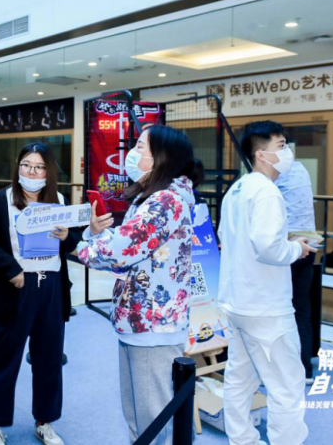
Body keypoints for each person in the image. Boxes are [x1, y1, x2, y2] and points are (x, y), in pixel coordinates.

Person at [78, 124, 196, 445]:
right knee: (139, 420)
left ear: (161, 158)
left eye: (142, 147)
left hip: (152, 325)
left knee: (153, 423)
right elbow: (128, 245)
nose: (133, 153)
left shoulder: (166, 201)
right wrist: (96, 233)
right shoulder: (152, 197)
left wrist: (80, 247)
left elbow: (121, 251)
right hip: (139, 320)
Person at [218, 120, 316, 445]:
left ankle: (242, 440)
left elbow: (228, 238)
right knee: (287, 385)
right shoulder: (268, 192)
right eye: (281, 145)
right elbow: (267, 246)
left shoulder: (238, 188)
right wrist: (297, 248)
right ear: (261, 154)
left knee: (239, 378)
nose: (287, 152)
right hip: (266, 307)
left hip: (236, 301)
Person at [0, 143, 81, 445]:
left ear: (48, 173)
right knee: (3, 357)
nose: (31, 172)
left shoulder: (59, 200)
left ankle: (44, 421)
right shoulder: (2, 200)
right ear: (18, 168)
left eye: (38, 167)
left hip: (50, 288)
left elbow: (71, 240)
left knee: (49, 358)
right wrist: (11, 268)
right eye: (26, 165)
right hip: (16, 288)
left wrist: (67, 236)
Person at [275, 156, 318, 383]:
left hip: (290, 247)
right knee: (302, 309)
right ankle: (305, 368)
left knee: (279, 308)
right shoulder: (301, 168)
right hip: (309, 244)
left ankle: (284, 369)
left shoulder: (274, 173)